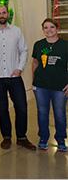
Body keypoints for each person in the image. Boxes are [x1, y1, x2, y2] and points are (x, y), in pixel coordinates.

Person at [0, 5, 36, 150]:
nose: (1, 15)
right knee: (2, 109)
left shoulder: (16, 31)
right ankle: (6, 137)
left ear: (7, 14)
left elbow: (24, 50)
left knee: (22, 107)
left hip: (14, 77)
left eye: (3, 12)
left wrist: (19, 68)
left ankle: (22, 137)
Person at [32, 18, 68, 152]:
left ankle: (60, 140)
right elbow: (35, 63)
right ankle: (43, 138)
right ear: (43, 30)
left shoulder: (65, 45)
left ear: (57, 28)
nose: (49, 30)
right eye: (45, 28)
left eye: (52, 27)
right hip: (41, 87)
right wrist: (34, 81)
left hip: (60, 87)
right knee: (42, 113)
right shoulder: (39, 45)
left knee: (59, 114)